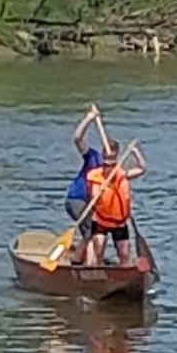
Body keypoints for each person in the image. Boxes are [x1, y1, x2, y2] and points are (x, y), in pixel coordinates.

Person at [83, 140, 146, 267]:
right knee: (99, 248)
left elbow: (141, 169)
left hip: (119, 222)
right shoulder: (96, 176)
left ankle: (123, 275)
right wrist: (100, 190)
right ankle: (96, 271)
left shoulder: (121, 175)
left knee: (124, 254)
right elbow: (94, 195)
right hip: (101, 221)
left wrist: (135, 152)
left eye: (112, 165)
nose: (108, 168)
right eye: (106, 165)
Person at [67, 105, 103, 262]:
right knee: (91, 232)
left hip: (89, 203)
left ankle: (89, 262)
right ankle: (80, 263)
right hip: (77, 199)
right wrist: (89, 118)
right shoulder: (93, 157)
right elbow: (77, 139)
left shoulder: (114, 171)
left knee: (95, 232)